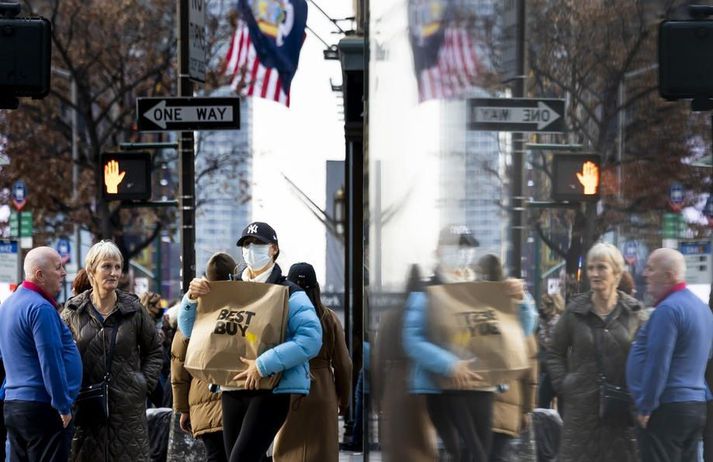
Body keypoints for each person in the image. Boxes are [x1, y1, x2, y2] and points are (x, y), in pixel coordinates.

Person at [178, 221, 322, 462]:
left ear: (274, 249)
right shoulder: (227, 291)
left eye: (258, 244)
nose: (250, 249)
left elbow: (311, 339)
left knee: (241, 458)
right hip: (231, 387)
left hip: (271, 388)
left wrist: (263, 364)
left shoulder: (290, 292)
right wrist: (191, 299)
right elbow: (190, 330)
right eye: (246, 244)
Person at [403, 226, 535, 461]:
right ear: (440, 250)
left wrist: (522, 300)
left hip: (481, 387)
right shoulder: (427, 290)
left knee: (477, 455)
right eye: (457, 246)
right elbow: (412, 338)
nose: (463, 253)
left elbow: (519, 331)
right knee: (464, 453)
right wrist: (449, 365)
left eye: (468, 247)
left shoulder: (484, 290)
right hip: (442, 389)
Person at [62, 240, 163, 461]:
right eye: (107, 266)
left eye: (117, 267)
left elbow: (155, 350)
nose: (114, 272)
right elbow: (61, 357)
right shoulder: (72, 312)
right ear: (91, 271)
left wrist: (142, 384)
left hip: (128, 412)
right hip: (87, 411)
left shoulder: (134, 310)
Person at [546, 242, 644, 462]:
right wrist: (565, 384)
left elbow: (645, 358)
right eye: (590, 268)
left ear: (616, 272)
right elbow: (554, 352)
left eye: (601, 267)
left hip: (619, 410)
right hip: (580, 411)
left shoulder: (634, 313)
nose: (594, 273)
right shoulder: (575, 311)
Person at [626, 248, 713, 462]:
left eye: (651, 269)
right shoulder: (702, 309)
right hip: (695, 406)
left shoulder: (668, 310)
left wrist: (646, 405)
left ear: (669, 275)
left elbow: (658, 362)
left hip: (666, 408)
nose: (645, 274)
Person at [0, 247, 82, 462]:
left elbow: (8, 355)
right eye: (58, 267)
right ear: (39, 275)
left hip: (15, 405)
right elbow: (50, 360)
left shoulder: (8, 305)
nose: (63, 273)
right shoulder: (40, 308)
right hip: (43, 407)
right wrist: (62, 405)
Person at [272, 262, 352, 462]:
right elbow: (343, 363)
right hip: (323, 391)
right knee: (322, 452)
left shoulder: (279, 316)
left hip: (289, 389)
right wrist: (344, 397)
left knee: (287, 451)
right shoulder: (329, 317)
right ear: (316, 288)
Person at [172, 252, 236, 462]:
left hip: (203, 404)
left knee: (215, 456)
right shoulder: (243, 309)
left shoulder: (193, 312)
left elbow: (179, 364)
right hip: (239, 402)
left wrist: (183, 409)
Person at [477, 255, 538, 462]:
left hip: (482, 405)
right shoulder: (514, 313)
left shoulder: (473, 310)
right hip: (505, 408)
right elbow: (530, 367)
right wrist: (527, 409)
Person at [536, 293, 564, 411]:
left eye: (544, 305)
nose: (542, 308)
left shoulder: (558, 322)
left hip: (555, 368)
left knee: (544, 399)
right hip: (549, 368)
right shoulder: (544, 321)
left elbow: (550, 343)